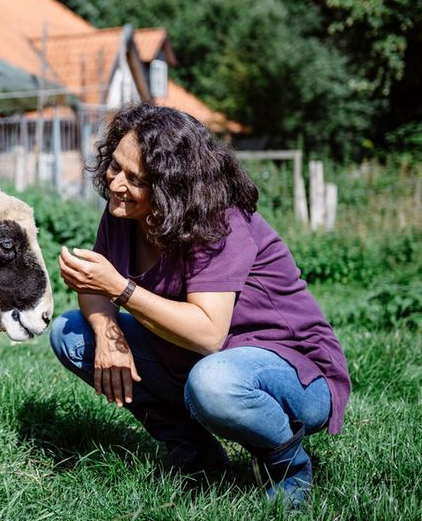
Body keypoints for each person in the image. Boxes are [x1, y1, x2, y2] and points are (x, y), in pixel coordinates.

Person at [49, 104, 350, 508]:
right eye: (115, 166)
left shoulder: (217, 221)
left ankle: (287, 466)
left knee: (212, 382)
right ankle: (197, 456)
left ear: (172, 187)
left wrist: (120, 290)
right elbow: (94, 284)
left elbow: (208, 335)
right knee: (71, 335)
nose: (116, 183)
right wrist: (107, 334)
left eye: (135, 178)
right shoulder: (126, 210)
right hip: (197, 361)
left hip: (294, 372)